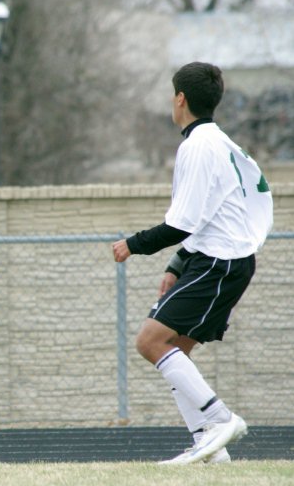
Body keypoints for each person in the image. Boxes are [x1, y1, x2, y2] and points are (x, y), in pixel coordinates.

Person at [112, 62, 272, 465]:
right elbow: (208, 215)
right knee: (175, 348)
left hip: (220, 264)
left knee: (150, 342)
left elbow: (181, 224)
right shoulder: (216, 142)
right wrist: (177, 265)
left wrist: (133, 244)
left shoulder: (198, 146)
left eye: (172, 94)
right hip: (218, 261)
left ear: (180, 99)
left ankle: (220, 420)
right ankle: (208, 444)